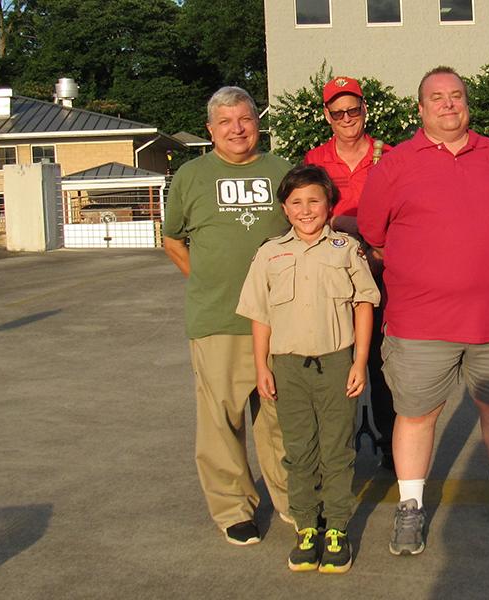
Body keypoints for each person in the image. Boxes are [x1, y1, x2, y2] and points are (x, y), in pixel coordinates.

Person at [357, 66, 489, 556]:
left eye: (456, 96)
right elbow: (373, 233)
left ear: (467, 104)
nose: (448, 105)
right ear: (420, 109)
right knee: (416, 414)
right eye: (436, 98)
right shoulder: (395, 165)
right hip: (423, 322)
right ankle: (411, 507)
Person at [163, 86, 291, 545]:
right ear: (210, 129)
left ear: (258, 123)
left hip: (280, 322)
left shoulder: (282, 171)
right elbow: (173, 239)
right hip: (217, 319)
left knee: (279, 417)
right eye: (226, 122)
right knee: (222, 421)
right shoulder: (192, 176)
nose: (237, 129)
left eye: (245, 119)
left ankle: (291, 499)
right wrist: (206, 282)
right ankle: (234, 509)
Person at [237, 164, 379, 573]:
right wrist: (261, 366)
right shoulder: (269, 254)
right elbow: (259, 315)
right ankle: (306, 528)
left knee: (337, 449)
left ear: (329, 204)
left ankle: (336, 528)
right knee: (298, 452)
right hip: (287, 366)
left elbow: (363, 304)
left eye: (314, 200)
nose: (305, 209)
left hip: (336, 363)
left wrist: (360, 361)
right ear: (284, 207)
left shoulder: (346, 249)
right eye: (296, 202)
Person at [304, 76, 395, 468]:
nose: (346, 118)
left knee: (382, 364)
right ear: (327, 116)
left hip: (382, 275)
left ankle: (393, 450)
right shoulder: (314, 160)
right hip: (334, 280)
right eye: (337, 112)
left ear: (364, 110)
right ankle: (337, 454)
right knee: (337, 365)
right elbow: (305, 214)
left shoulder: (389, 155)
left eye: (353, 109)